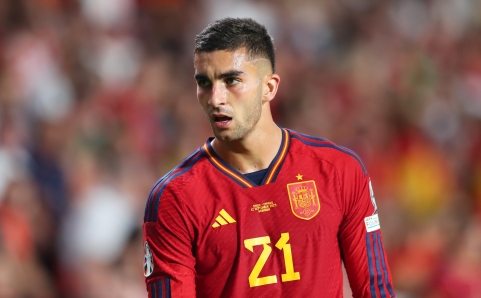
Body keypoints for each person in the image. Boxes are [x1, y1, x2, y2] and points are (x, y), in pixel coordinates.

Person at [142, 17, 395, 298]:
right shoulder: (175, 198)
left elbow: (375, 290)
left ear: (270, 87)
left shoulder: (339, 171)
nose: (216, 98)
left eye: (231, 80)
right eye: (205, 82)